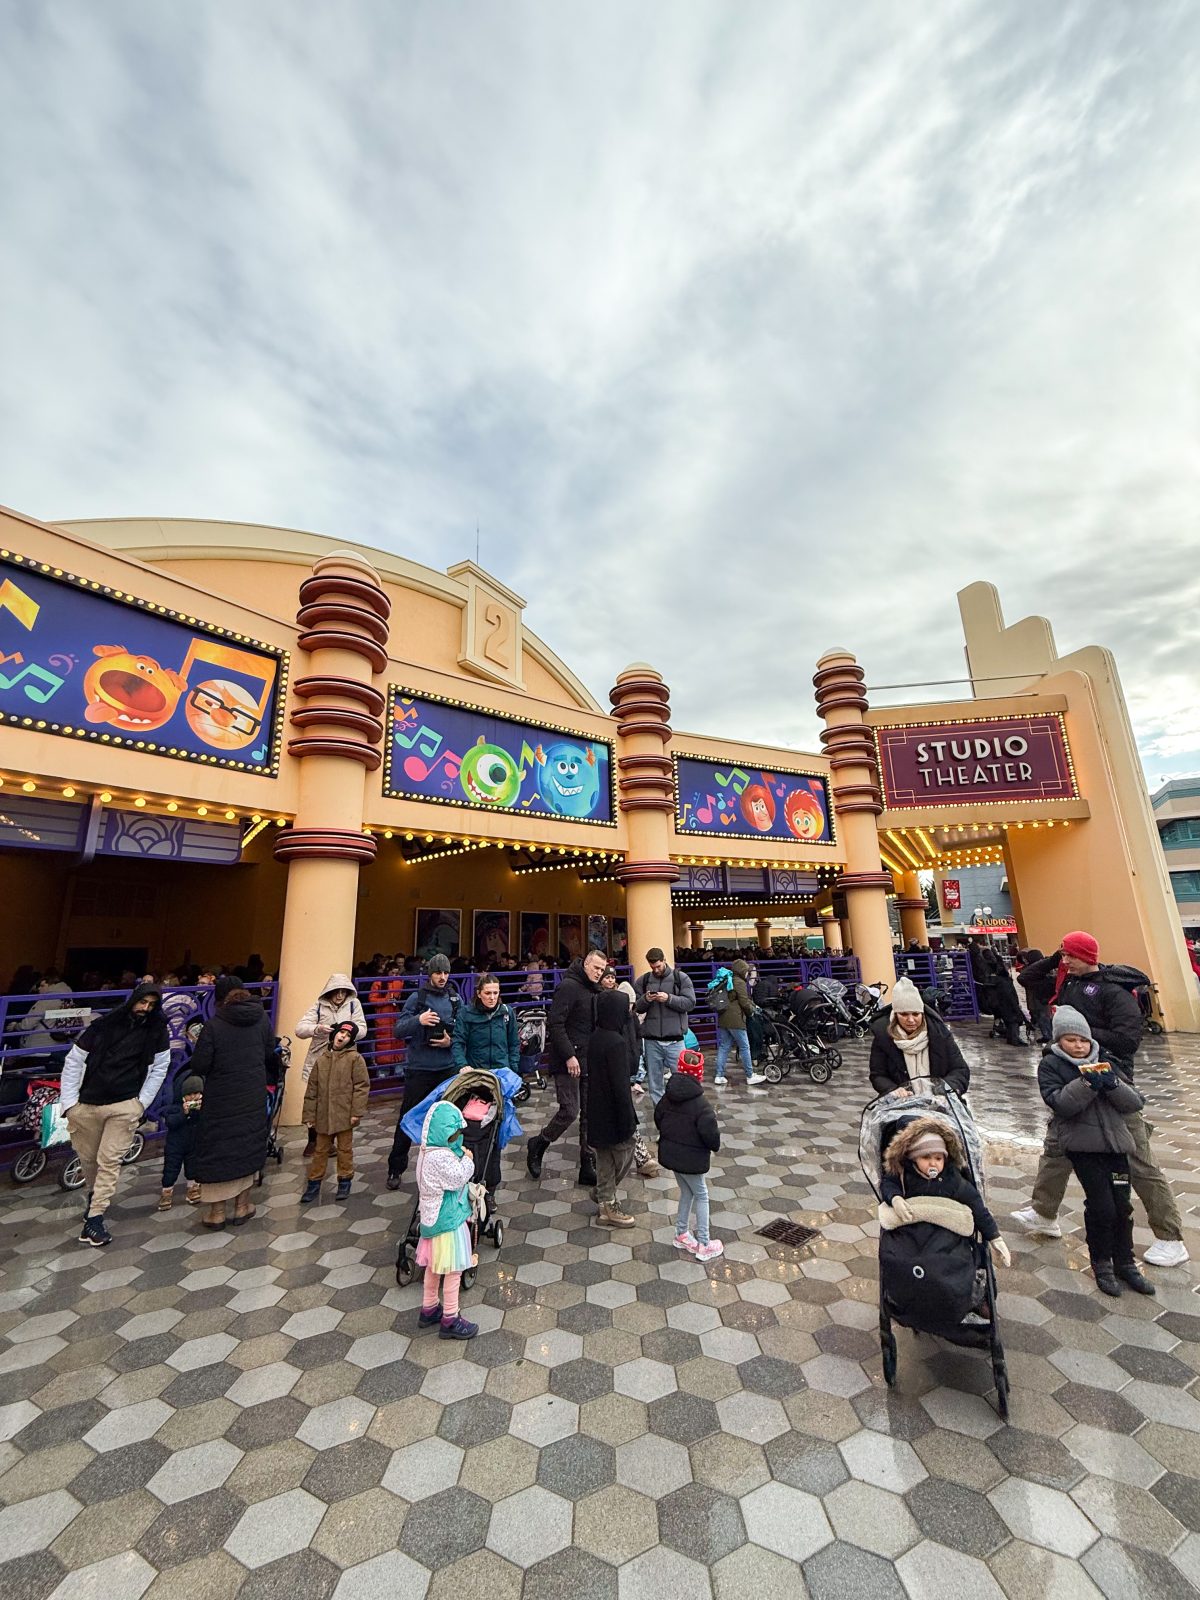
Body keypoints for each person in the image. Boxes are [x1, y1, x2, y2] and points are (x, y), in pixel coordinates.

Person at [1011, 930, 1188, 1266]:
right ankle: (1044, 1213)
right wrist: (1055, 956)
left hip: (1111, 1082)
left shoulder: (1114, 990)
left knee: (1138, 1158)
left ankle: (1170, 1236)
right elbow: (1028, 978)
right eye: (1063, 956)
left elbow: (1127, 1040)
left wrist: (1083, 1034)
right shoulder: (1068, 982)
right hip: (1072, 1080)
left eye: (1070, 956)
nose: (1065, 962)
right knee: (1057, 1149)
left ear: (1087, 957)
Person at [1036, 1007, 1155, 1297]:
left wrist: (1111, 1084)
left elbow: (1134, 1102)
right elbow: (1061, 1103)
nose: (1078, 1046)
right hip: (1083, 1147)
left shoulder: (1106, 1062)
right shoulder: (1051, 1066)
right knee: (1102, 1206)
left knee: (1123, 1206)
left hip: (1115, 1145)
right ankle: (1101, 1262)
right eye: (1071, 1040)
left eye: (1083, 1041)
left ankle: (1125, 1262)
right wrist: (1087, 1083)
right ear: (1059, 1041)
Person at [60, 984, 171, 1247]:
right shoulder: (104, 1026)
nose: (145, 1009)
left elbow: (160, 1067)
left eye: (151, 1005)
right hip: (88, 1104)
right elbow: (75, 1060)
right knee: (89, 1159)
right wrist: (70, 1103)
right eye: (142, 1002)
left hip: (124, 1104)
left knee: (109, 1160)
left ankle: (96, 1217)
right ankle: (94, 1196)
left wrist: (140, 1104)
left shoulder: (156, 1031)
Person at [189, 980, 276, 1229]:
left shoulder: (214, 1025)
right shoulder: (261, 1020)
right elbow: (270, 1051)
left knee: (219, 1147)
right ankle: (242, 1206)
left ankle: (217, 1212)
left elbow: (200, 1065)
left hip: (221, 1097)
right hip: (252, 1093)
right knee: (249, 1143)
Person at [526, 947, 607, 1186]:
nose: (599, 973)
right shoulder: (569, 987)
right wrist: (570, 1055)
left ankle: (587, 1164)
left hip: (589, 1058)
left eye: (602, 970)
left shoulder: (594, 989)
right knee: (570, 1111)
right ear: (586, 965)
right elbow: (556, 1023)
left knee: (589, 1116)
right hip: (567, 1060)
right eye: (596, 968)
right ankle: (539, 1142)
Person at [881, 1119, 1009, 1266]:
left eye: (938, 1158)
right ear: (914, 1157)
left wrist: (994, 1237)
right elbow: (888, 1184)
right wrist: (895, 1198)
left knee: (955, 1260)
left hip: (944, 1236)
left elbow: (975, 1204)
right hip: (911, 1233)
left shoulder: (952, 1180)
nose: (933, 1163)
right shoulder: (904, 1174)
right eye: (926, 1157)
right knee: (896, 1257)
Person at [387, 956, 461, 1187]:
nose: (442, 977)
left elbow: (463, 1031)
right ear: (430, 974)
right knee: (407, 1118)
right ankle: (395, 1168)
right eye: (438, 972)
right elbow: (398, 1030)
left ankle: (452, 1166)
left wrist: (451, 1041)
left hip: (447, 1069)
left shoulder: (455, 999)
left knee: (451, 1120)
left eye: (446, 973)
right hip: (420, 1069)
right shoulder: (416, 998)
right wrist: (419, 1019)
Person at [415, 1100, 478, 1340]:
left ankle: (429, 1307)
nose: (457, 1139)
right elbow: (457, 1178)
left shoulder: (425, 1151)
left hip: (431, 1221)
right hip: (448, 1222)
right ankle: (450, 1318)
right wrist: (468, 1160)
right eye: (454, 1135)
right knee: (453, 1270)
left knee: (434, 1266)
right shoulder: (441, 1157)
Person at [655, 1047, 723, 1261]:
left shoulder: (667, 1097)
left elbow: (658, 1118)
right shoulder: (702, 1105)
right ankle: (704, 1243)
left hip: (672, 1155)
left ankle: (681, 1233)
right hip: (692, 1159)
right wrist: (714, 1146)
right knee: (701, 1195)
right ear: (699, 1073)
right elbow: (711, 1134)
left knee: (687, 1192)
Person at [586, 991, 640, 1228]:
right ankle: (605, 1197)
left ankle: (604, 1200)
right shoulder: (616, 1042)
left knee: (605, 1155)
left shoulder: (596, 1036)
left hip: (597, 1108)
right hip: (614, 1110)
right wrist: (628, 1116)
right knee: (625, 1149)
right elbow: (620, 1085)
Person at [301, 1020, 370, 1202]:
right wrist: (309, 1115)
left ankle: (345, 1181)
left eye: (347, 1036)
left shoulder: (355, 1059)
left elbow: (361, 1086)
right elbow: (312, 1090)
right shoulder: (322, 1059)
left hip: (345, 1114)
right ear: (334, 1034)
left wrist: (356, 1112)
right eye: (341, 1033)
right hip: (323, 1116)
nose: (343, 1037)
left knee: (345, 1150)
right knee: (320, 1150)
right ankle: (314, 1183)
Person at [868, 977, 970, 1099]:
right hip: (902, 1104)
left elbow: (960, 1070)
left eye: (916, 1014)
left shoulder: (940, 1035)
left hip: (941, 1102)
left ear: (922, 1013)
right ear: (895, 1015)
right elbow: (878, 1075)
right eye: (904, 1014)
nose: (911, 1020)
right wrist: (893, 1089)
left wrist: (945, 1089)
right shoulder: (883, 1037)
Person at [601, 967, 659, 1176]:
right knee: (625, 1115)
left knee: (625, 1115)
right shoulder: (608, 1027)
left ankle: (639, 1157)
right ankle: (639, 1158)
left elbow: (636, 1042)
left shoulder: (630, 1018)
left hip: (626, 1071)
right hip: (612, 1075)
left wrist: (635, 1067)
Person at [633, 948, 696, 1105]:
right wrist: (646, 999)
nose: (656, 970)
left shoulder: (681, 978)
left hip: (675, 1040)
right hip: (651, 1040)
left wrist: (669, 998)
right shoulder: (644, 980)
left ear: (664, 960)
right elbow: (637, 1008)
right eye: (652, 967)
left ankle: (681, 1112)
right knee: (655, 1084)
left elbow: (690, 1003)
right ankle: (660, 1113)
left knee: (681, 1079)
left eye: (658, 966)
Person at [713, 959, 768, 1088]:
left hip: (723, 1018)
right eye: (746, 971)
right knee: (744, 1047)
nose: (747, 974)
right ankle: (750, 1075)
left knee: (724, 1047)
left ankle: (719, 1075)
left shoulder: (727, 979)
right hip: (736, 1019)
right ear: (742, 971)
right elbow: (744, 1001)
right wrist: (751, 1013)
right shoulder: (739, 982)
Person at [451, 975, 520, 1075]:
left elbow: (514, 1042)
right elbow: (458, 1042)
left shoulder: (507, 1012)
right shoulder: (466, 1013)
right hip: (476, 1072)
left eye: (495, 993)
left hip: (502, 1071)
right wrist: (462, 1065)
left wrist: (513, 1067)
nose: (492, 997)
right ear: (479, 994)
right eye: (487, 993)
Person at [158, 1070, 204, 1210]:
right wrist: (183, 1113)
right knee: (171, 1168)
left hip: (193, 1143)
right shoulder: (175, 1107)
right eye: (189, 1095)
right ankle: (167, 1191)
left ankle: (192, 1188)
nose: (192, 1098)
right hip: (175, 1144)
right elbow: (171, 1122)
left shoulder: (201, 1107)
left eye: (196, 1094)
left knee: (192, 1166)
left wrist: (199, 1111)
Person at [1016, 949, 1055, 1044]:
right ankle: (1047, 1035)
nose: (1024, 960)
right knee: (1040, 1016)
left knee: (1044, 1016)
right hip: (1035, 998)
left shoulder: (1042, 970)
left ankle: (1049, 1036)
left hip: (1043, 998)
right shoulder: (1029, 970)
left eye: (1025, 958)